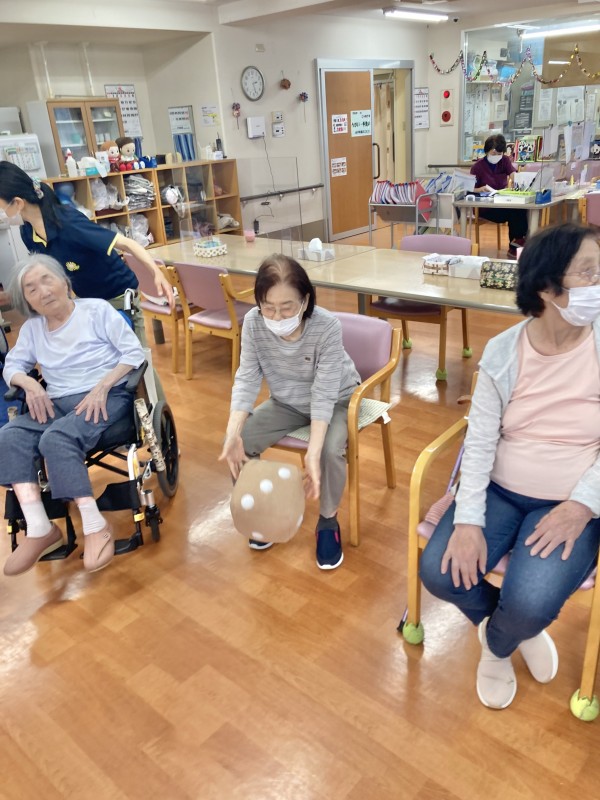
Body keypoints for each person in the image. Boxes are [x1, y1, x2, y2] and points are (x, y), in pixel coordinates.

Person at [420, 223, 600, 710]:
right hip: (499, 489)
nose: (599, 283)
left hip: (571, 500)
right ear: (547, 288)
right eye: (588, 273)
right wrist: (467, 521)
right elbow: (479, 443)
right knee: (439, 572)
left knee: (531, 601)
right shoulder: (503, 350)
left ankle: (497, 644)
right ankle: (511, 632)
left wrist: (582, 506)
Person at [0, 254, 144, 576]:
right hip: (58, 403)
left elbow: (133, 353)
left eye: (47, 280)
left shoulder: (96, 311)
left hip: (107, 396)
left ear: (64, 282)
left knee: (56, 438)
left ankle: (95, 526)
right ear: (27, 301)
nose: (43, 291)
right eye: (31, 289)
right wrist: (29, 384)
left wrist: (102, 385)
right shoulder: (33, 329)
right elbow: (13, 365)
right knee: (9, 436)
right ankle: (40, 528)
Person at [219, 254, 361, 570]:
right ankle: (261, 511)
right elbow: (247, 378)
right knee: (242, 441)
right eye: (268, 307)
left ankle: (328, 520)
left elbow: (324, 394)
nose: (277, 316)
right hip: (287, 401)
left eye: (287, 307)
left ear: (305, 300)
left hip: (337, 399)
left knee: (329, 451)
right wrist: (232, 433)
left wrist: (313, 452)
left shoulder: (326, 326)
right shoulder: (254, 323)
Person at [0, 161, 174, 345]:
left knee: (134, 357)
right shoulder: (27, 232)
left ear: (17, 203)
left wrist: (157, 273)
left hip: (118, 297)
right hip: (87, 302)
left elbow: (128, 244)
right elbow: (51, 272)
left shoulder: (69, 223)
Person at [470, 133, 528, 258]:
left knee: (521, 209)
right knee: (515, 211)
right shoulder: (477, 167)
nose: (496, 156)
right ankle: (516, 245)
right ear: (486, 151)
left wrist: (518, 179)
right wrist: (479, 189)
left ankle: (518, 242)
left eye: (499, 153)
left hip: (502, 202)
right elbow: (469, 189)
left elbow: (513, 174)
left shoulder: (504, 161)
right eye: (493, 153)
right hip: (486, 207)